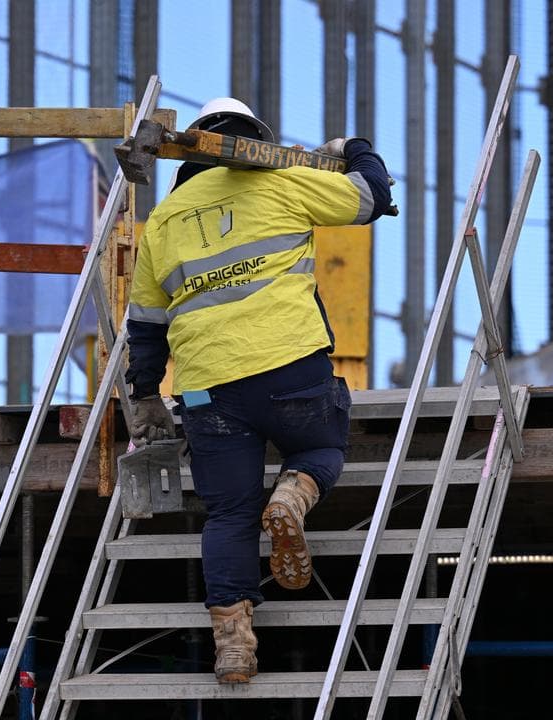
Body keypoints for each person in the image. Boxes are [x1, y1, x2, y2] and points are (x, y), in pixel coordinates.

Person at [123, 97, 391, 684]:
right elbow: (374, 197)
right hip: (290, 365)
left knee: (228, 513)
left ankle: (235, 646)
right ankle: (293, 495)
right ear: (257, 141)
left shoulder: (163, 222)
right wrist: (352, 149)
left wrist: (143, 393)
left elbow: (144, 326)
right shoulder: (283, 182)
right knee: (321, 450)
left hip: (205, 392)